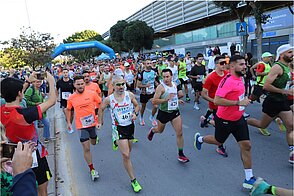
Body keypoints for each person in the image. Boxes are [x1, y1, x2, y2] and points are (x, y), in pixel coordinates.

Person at [194, 55, 257, 189]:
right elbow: (216, 100)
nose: (245, 66)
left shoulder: (240, 77)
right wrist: (238, 102)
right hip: (224, 119)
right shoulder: (227, 81)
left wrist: (245, 100)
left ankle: (248, 178)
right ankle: (200, 139)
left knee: (246, 145)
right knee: (218, 141)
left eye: (245, 64)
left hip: (238, 118)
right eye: (241, 64)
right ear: (233, 66)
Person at [1, 72, 56, 196]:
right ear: (20, 94)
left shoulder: (2, 110)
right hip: (31, 154)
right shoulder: (25, 114)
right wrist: (51, 81)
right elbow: (52, 101)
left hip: (9, 154)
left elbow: (15, 94)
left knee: (20, 184)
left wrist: (27, 83)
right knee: (42, 190)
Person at [247, 44, 293, 164]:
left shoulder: (287, 66)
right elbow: (267, 86)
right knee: (262, 125)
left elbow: (285, 82)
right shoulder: (277, 67)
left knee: (291, 126)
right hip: (272, 101)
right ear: (282, 54)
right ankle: (242, 120)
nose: (292, 54)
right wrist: (285, 91)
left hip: (282, 101)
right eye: (289, 52)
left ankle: (292, 153)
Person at [98, 75, 142, 193]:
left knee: (129, 151)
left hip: (130, 126)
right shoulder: (109, 99)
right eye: (118, 84)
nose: (121, 86)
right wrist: (100, 122)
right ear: (113, 86)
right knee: (126, 155)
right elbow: (101, 108)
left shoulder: (130, 95)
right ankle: (133, 180)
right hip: (118, 128)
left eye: (123, 84)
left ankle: (116, 142)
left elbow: (137, 106)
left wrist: (135, 114)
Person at [147, 69, 189, 163]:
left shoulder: (174, 84)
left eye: (167, 77)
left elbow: (173, 97)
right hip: (164, 112)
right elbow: (154, 101)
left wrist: (177, 101)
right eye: (164, 77)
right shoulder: (160, 87)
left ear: (171, 76)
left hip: (174, 111)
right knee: (160, 130)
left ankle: (181, 154)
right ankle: (153, 130)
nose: (165, 79)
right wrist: (165, 100)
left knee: (180, 133)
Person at [66, 75, 101, 181]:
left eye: (82, 84)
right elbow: (69, 110)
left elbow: (100, 103)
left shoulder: (92, 94)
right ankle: (92, 169)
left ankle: (94, 138)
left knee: (93, 142)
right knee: (86, 148)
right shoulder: (71, 98)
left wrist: (99, 119)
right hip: (81, 126)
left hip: (92, 124)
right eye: (78, 84)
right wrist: (69, 122)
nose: (81, 86)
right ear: (74, 85)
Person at [199, 56, 229, 157]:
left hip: (225, 104)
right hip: (216, 105)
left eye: (225, 63)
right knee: (220, 127)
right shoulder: (211, 77)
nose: (224, 65)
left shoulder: (227, 74)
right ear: (216, 64)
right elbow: (203, 94)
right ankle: (219, 146)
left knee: (223, 125)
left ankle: (205, 120)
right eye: (221, 63)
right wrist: (214, 101)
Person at [24, 77, 52, 143]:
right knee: (35, 127)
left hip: (41, 110)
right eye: (37, 82)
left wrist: (43, 100)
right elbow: (25, 100)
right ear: (33, 82)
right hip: (33, 111)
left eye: (40, 82)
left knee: (47, 123)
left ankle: (47, 137)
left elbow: (41, 99)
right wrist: (35, 103)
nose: (39, 83)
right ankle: (36, 141)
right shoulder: (30, 90)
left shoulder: (39, 89)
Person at [137, 60, 158, 126]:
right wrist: (146, 86)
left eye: (150, 63)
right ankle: (141, 117)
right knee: (143, 106)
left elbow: (154, 80)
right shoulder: (141, 74)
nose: (149, 65)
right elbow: (138, 85)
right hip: (144, 93)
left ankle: (152, 117)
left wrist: (157, 84)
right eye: (147, 63)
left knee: (156, 106)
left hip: (152, 92)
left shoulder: (153, 72)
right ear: (145, 64)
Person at [56, 68, 75, 133]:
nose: (65, 74)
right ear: (62, 73)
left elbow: (75, 90)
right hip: (63, 100)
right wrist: (57, 97)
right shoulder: (59, 82)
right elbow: (56, 89)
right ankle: (69, 123)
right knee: (66, 112)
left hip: (71, 100)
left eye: (66, 72)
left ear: (68, 73)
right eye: (64, 72)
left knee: (72, 114)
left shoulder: (72, 81)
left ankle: (69, 123)